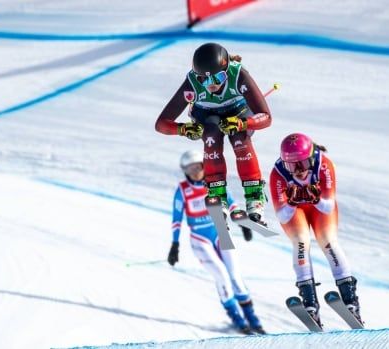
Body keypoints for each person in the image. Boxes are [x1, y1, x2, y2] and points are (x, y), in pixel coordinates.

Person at [155, 42, 272, 225]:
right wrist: (182, 129)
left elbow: (266, 118)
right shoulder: (192, 82)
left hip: (239, 111)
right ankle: (217, 194)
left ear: (226, 70)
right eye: (205, 79)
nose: (212, 84)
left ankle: (254, 196)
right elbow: (161, 124)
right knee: (211, 135)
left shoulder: (239, 75)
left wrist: (243, 123)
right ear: (197, 76)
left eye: (218, 77)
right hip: (207, 115)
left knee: (239, 138)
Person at [269, 133, 363, 327]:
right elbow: (282, 216)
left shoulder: (324, 165)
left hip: (320, 208)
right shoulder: (277, 173)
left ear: (312, 158)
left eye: (302, 165)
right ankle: (309, 301)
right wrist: (293, 202)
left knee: (328, 241)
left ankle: (350, 299)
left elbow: (328, 206)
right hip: (295, 211)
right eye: (291, 166)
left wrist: (315, 198)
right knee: (301, 242)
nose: (297, 171)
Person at [166, 150, 264, 334]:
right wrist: (175, 245)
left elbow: (232, 203)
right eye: (189, 169)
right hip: (200, 239)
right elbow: (176, 219)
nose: (195, 172)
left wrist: (242, 223)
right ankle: (237, 318)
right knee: (222, 276)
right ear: (184, 171)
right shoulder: (182, 190)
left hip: (221, 233)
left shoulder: (214, 184)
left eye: (197, 167)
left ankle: (253, 320)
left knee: (235, 277)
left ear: (204, 165)